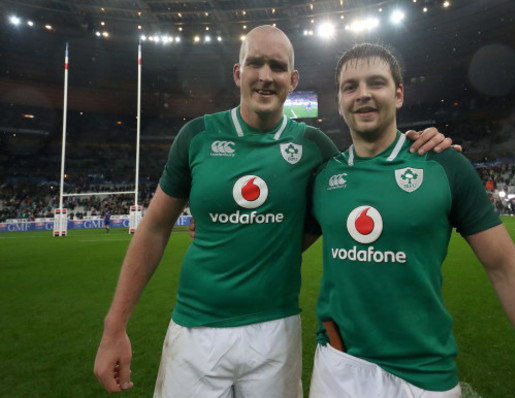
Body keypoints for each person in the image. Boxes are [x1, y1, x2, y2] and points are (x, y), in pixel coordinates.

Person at [93, 25, 455, 397]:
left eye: (278, 67)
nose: (266, 76)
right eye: (255, 64)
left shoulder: (314, 145)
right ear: (238, 73)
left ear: (292, 79)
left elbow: (364, 181)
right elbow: (153, 228)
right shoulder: (197, 136)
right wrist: (114, 328)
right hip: (194, 329)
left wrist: (419, 143)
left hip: (276, 332)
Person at [306, 43, 515, 398]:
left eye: (377, 83)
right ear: (340, 101)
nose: (363, 95)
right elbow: (272, 245)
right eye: (350, 86)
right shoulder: (324, 177)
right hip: (337, 369)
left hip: (425, 377)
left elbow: (507, 270)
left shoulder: (445, 166)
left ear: (399, 93)